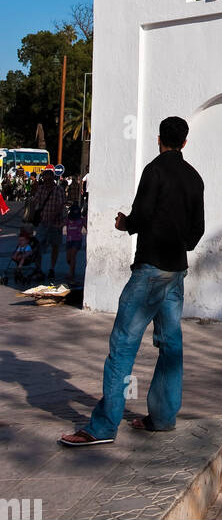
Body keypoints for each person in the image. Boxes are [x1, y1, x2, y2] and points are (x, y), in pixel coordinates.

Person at [60, 116, 204, 448]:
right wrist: (176, 240)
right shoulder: (194, 178)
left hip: (150, 269)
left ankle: (103, 426)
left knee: (123, 344)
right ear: (184, 142)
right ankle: (164, 417)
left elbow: (139, 215)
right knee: (170, 345)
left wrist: (125, 222)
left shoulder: (154, 171)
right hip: (175, 270)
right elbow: (196, 232)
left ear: (159, 140)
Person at [33, 168, 68, 281]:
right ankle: (38, 268)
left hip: (56, 223)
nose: (46, 182)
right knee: (37, 244)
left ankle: (52, 268)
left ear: (52, 179)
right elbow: (35, 201)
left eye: (48, 180)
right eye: (45, 179)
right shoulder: (41, 189)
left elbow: (61, 205)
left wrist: (56, 217)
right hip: (43, 222)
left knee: (55, 246)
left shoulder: (59, 190)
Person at [65, 203, 86, 281]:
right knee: (68, 259)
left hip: (77, 240)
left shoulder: (81, 220)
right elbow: (62, 224)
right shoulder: (67, 219)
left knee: (73, 255)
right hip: (69, 240)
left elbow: (87, 226)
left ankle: (70, 273)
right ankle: (72, 269)